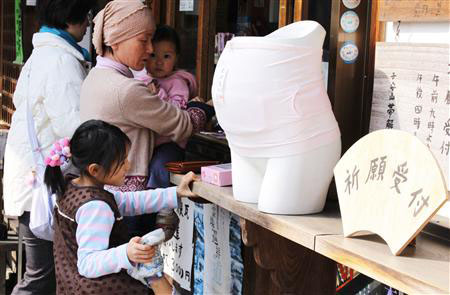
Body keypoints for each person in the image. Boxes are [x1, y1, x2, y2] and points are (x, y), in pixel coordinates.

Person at [80, 0, 207, 239]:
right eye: (143, 40)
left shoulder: (96, 76)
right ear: (116, 39)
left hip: (107, 197)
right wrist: (202, 107)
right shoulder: (126, 90)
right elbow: (183, 125)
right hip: (129, 206)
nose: (150, 49)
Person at [44, 119, 198, 294]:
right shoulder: (95, 207)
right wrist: (126, 253)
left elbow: (130, 202)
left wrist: (175, 192)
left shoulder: (73, 186)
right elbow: (88, 263)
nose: (128, 165)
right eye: (122, 161)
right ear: (95, 170)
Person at [2, 0, 93, 293]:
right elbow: (74, 126)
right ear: (71, 18)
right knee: (40, 279)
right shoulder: (60, 61)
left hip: (33, 181)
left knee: (43, 276)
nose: (89, 23)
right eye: (86, 16)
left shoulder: (42, 55)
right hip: (40, 186)